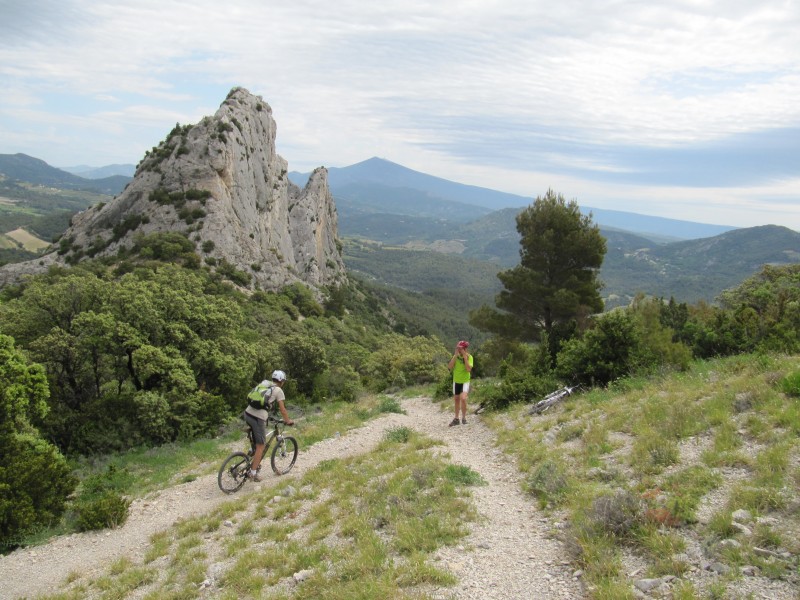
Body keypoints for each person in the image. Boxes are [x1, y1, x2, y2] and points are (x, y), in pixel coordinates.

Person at [243, 369, 294, 481]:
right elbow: (282, 409)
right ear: (281, 381)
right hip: (257, 417)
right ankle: (253, 473)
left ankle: (253, 458)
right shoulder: (278, 390)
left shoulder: (264, 383)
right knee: (261, 445)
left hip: (247, 414)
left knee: (257, 442)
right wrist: (288, 420)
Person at [447, 340, 473, 426]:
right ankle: (456, 418)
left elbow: (468, 369)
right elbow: (449, 367)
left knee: (463, 398)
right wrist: (455, 356)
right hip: (456, 381)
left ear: (465, 349)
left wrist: (465, 358)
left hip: (465, 381)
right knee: (456, 399)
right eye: (458, 348)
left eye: (460, 348)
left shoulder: (470, 357)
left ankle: (464, 417)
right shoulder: (456, 357)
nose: (459, 350)